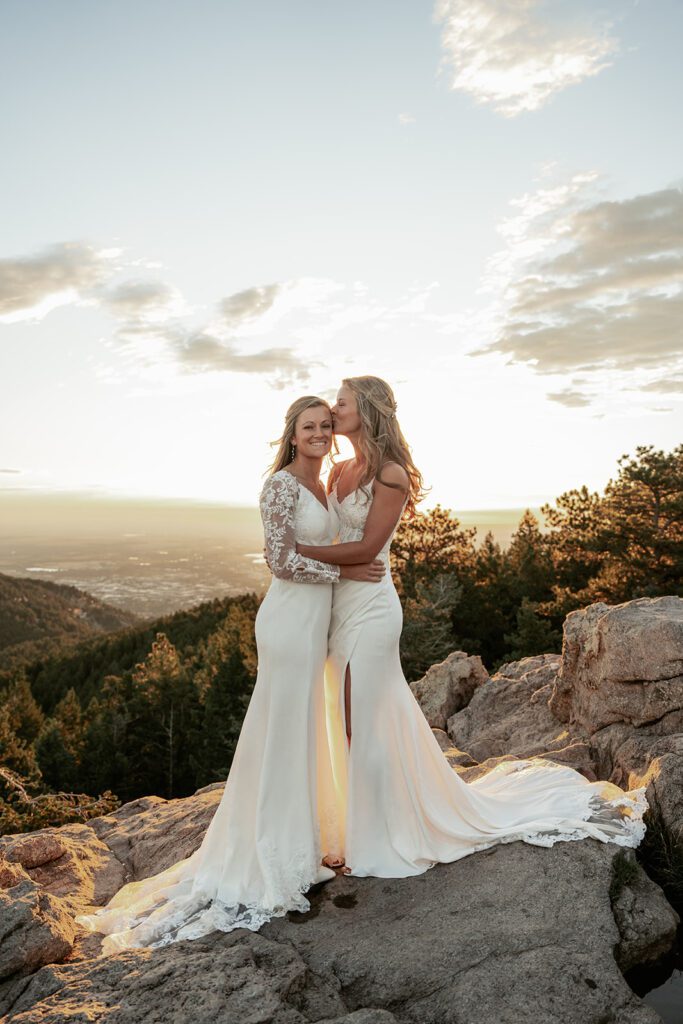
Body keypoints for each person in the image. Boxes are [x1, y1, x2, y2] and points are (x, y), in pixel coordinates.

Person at [296, 376, 649, 878]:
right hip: (339, 607)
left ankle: (371, 839)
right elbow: (335, 539)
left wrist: (296, 554)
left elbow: (367, 550)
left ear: (367, 410)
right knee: (350, 718)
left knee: (360, 723)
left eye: (342, 402)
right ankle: (359, 825)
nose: (334, 410)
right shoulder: (338, 473)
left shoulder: (390, 474)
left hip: (372, 608)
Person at [75, 395, 384, 951]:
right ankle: (277, 850)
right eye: (307, 426)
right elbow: (280, 559)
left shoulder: (327, 482)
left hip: (316, 624)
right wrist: (347, 573)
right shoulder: (281, 486)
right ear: (291, 436)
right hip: (289, 622)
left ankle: (306, 837)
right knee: (284, 728)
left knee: (303, 728)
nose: (317, 432)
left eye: (323, 425)